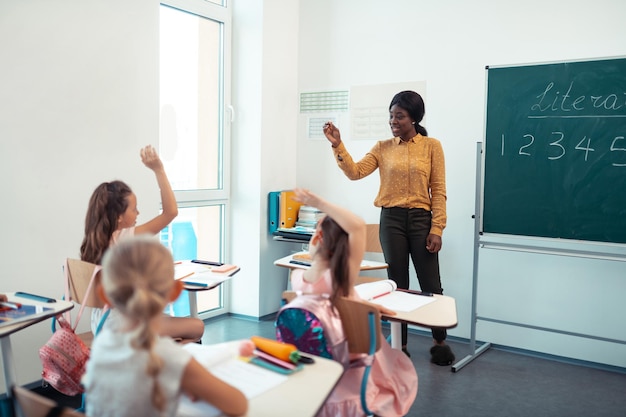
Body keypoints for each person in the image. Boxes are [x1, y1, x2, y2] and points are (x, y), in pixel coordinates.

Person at [322, 90, 455, 366]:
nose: (393, 121)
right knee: (398, 284)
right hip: (391, 219)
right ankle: (400, 345)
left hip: (421, 220)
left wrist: (437, 228)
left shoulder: (432, 146)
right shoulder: (382, 147)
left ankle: (439, 342)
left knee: (431, 284)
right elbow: (356, 172)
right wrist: (338, 145)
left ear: (415, 119)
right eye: (391, 116)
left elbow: (439, 190)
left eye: (400, 116)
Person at [83, 236, 248, 417]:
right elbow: (238, 404)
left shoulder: (101, 344)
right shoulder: (169, 356)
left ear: (103, 295)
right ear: (175, 292)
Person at [288, 188, 417, 417]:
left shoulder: (297, 278)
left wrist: (362, 306)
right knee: (398, 366)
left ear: (316, 238)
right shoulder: (339, 280)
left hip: (313, 369)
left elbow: (328, 308)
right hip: (349, 375)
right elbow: (357, 226)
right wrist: (318, 201)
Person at [80, 145, 204, 342]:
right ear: (119, 217)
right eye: (134, 209)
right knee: (197, 327)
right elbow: (170, 212)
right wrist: (159, 170)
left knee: (168, 327)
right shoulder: (122, 238)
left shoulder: (93, 240)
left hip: (100, 324)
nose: (138, 214)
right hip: (122, 327)